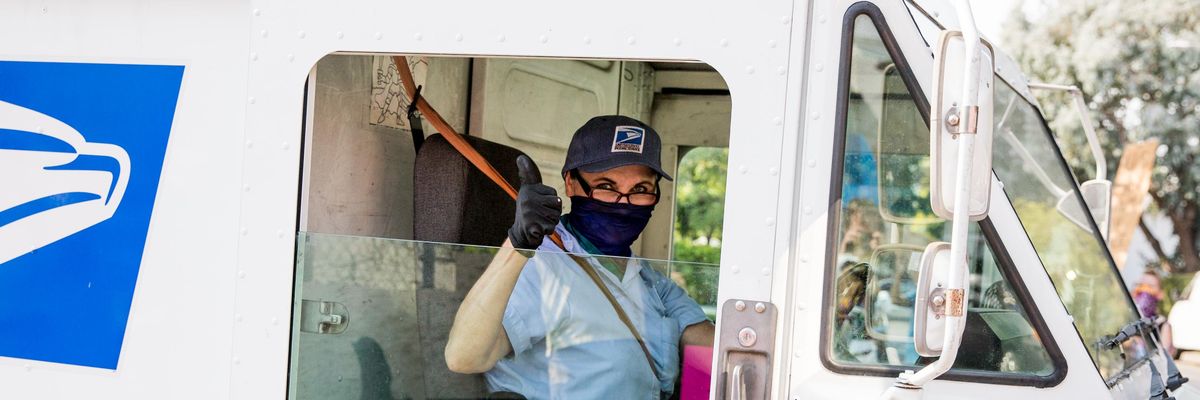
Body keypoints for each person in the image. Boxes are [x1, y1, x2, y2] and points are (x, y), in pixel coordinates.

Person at [444, 115, 715, 399]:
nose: (624, 203)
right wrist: (518, 244)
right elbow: (464, 357)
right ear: (571, 183)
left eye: (641, 190)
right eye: (607, 186)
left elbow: (705, 343)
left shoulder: (646, 277)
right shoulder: (543, 265)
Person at [1132, 270, 1176, 356]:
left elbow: (1165, 359)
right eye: (1142, 285)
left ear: (1160, 294)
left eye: (1150, 286)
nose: (1145, 290)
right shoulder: (1126, 322)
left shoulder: (1161, 325)